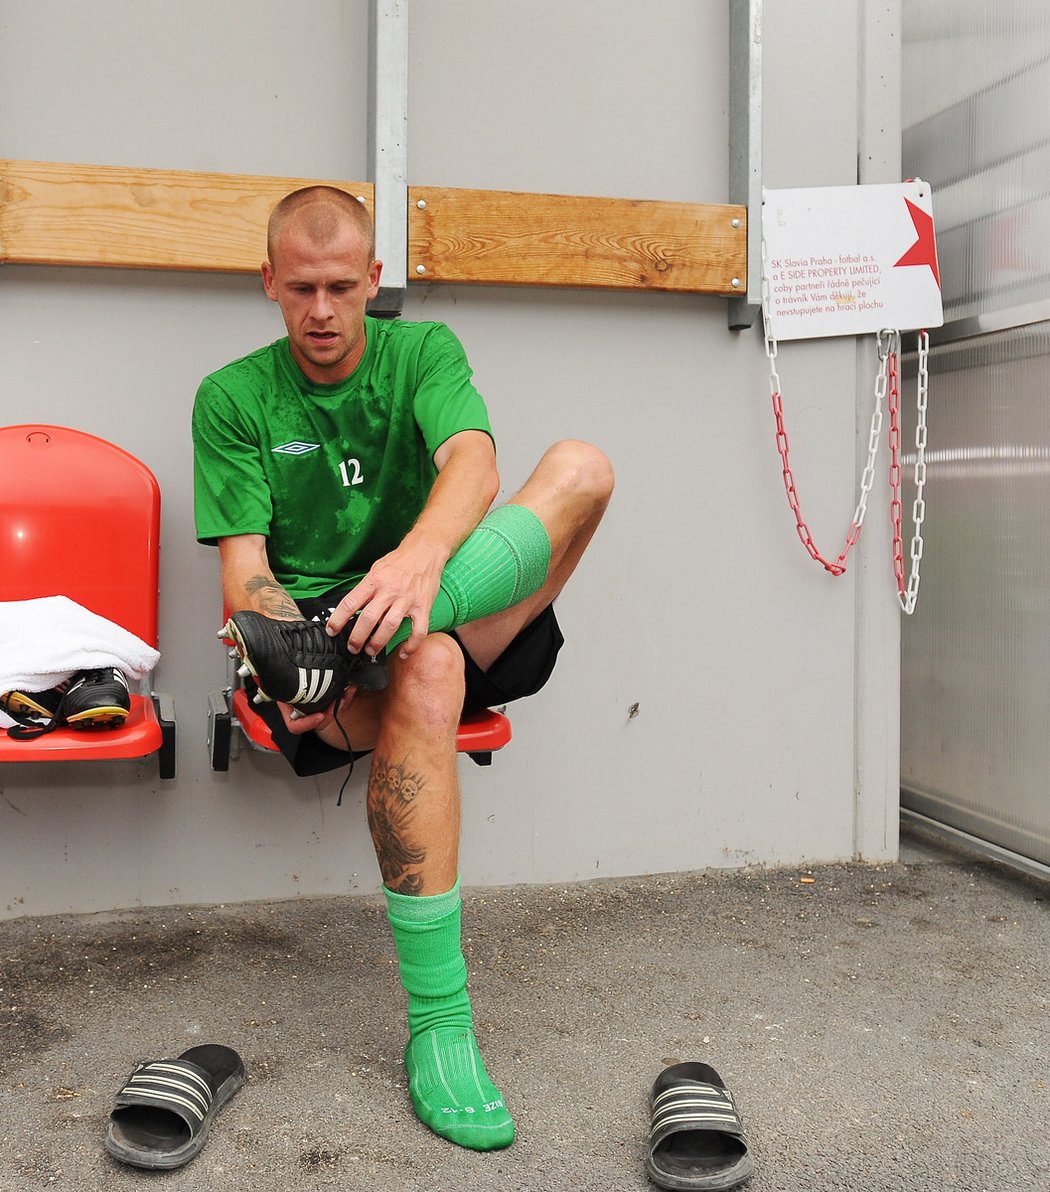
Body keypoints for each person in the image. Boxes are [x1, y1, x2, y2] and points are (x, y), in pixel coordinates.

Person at [192, 186, 613, 1152]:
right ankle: (441, 1027)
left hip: (439, 608)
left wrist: (417, 565)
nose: (324, 311)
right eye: (301, 288)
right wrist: (284, 646)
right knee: (421, 670)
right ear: (268, 282)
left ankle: (408, 616)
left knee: (584, 468)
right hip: (326, 657)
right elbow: (246, 574)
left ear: (375, 279)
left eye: (343, 286)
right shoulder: (233, 396)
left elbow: (473, 460)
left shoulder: (422, 352)